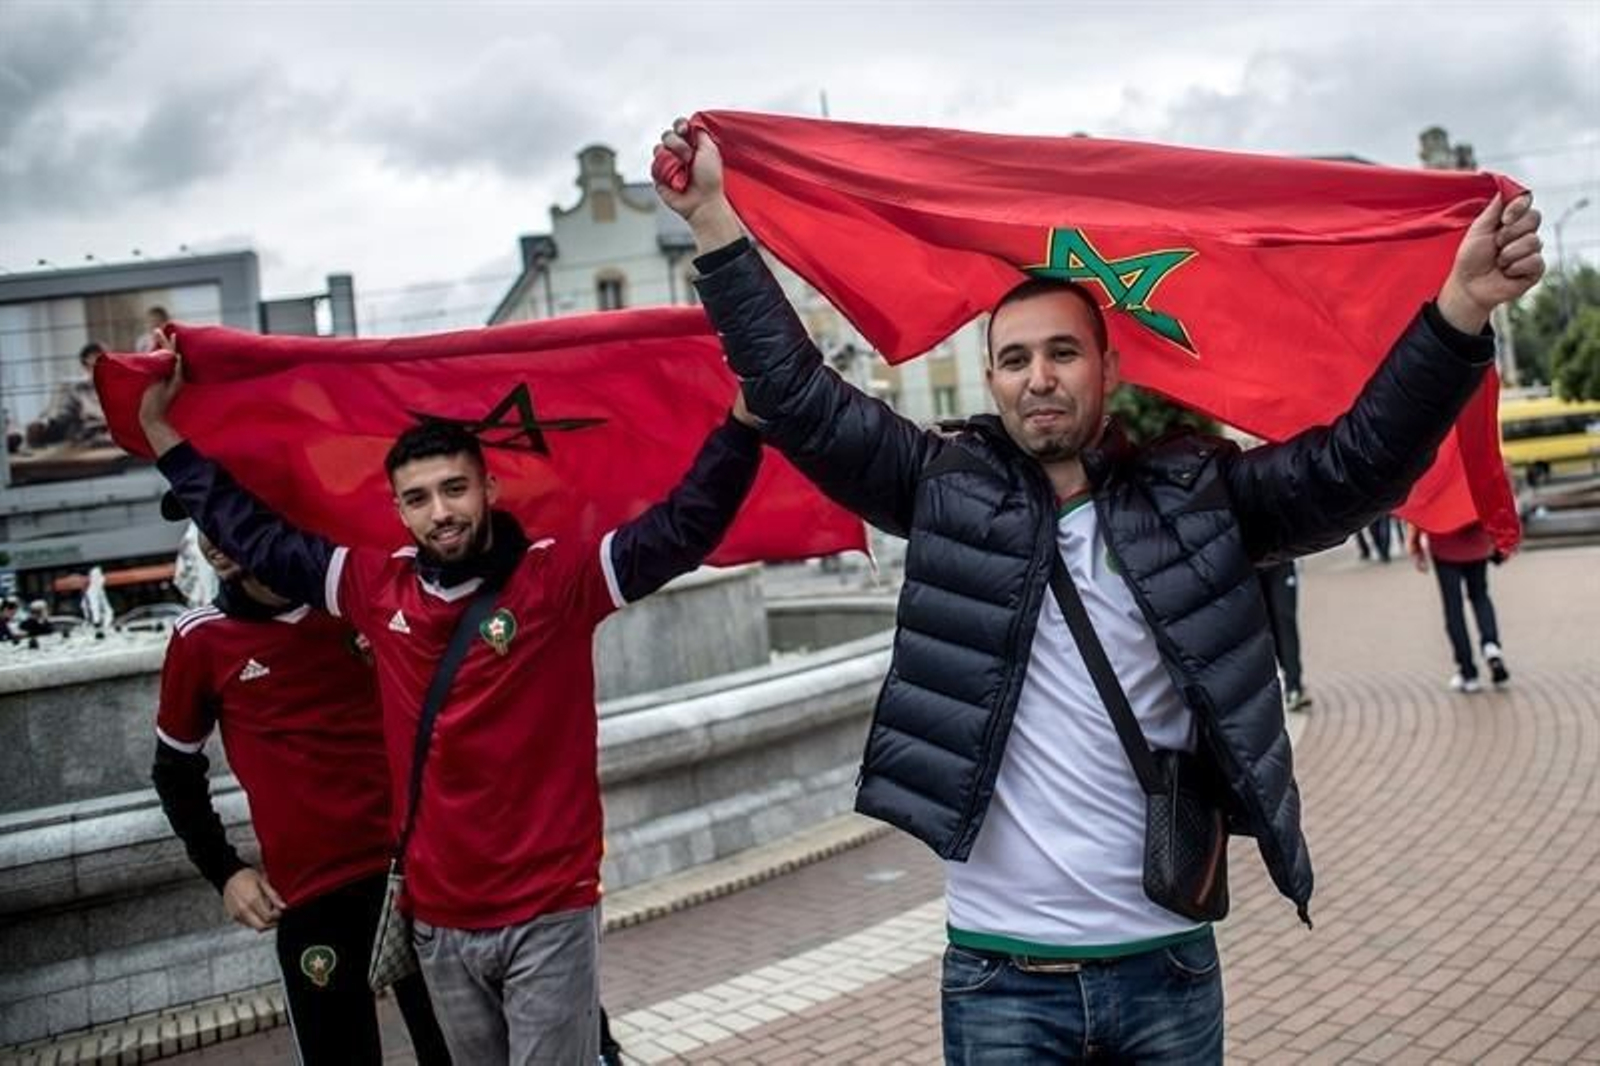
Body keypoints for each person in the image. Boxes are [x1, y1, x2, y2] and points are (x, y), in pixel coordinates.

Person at [656, 118, 1543, 1063]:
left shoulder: (1196, 500)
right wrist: (712, 220)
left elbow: (1358, 465)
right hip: (1000, 979)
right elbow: (796, 396)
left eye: (1063, 353)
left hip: (1167, 967)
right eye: (1015, 359)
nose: (1039, 378)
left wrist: (1459, 308)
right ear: (992, 379)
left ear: (1110, 368)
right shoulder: (941, 490)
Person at [137, 346, 763, 1064]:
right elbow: (258, 538)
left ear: (489, 487)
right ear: (397, 510)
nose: (441, 512)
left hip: (547, 910)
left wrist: (742, 427)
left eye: (455, 489)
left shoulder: (559, 580)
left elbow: (682, 529)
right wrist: (161, 433)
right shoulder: (375, 591)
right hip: (436, 922)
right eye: (418, 498)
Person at [150, 494, 451, 1066]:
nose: (210, 538)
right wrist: (225, 871)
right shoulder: (200, 638)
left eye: (222, 515)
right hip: (310, 899)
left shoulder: (357, 599)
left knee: (459, 1051)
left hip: (418, 873)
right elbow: (174, 772)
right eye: (200, 521)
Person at [1406, 521, 1509, 693]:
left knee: (1453, 608)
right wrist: (1501, 541)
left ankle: (1468, 673)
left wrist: (1415, 544)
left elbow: (1421, 511)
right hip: (1477, 543)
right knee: (1480, 597)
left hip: (1444, 546)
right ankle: (1490, 645)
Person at [26, 342, 110, 449]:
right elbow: (62, 415)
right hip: (89, 436)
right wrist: (43, 424)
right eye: (92, 363)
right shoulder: (77, 389)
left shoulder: (119, 386)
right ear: (85, 365)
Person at [1258, 560, 1311, 712]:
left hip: (1281, 563)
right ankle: (1285, 681)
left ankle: (1294, 687)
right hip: (1250, 570)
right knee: (1267, 626)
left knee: (1285, 620)